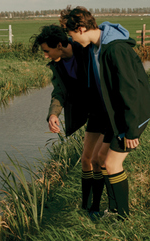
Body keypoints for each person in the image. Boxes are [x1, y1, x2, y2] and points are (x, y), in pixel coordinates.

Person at [60, 6, 150, 219]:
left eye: (71, 33)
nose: (71, 39)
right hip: (116, 115)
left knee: (111, 163)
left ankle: (123, 217)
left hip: (132, 115)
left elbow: (130, 90)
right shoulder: (96, 47)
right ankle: (113, 210)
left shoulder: (115, 49)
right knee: (101, 158)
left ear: (81, 29)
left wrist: (132, 130)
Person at [31, 24, 112, 218]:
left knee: (98, 160)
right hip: (92, 113)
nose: (45, 56)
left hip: (106, 110)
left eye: (46, 51)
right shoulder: (58, 65)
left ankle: (96, 207)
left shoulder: (86, 50)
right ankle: (85, 207)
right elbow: (60, 91)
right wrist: (53, 114)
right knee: (85, 159)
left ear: (59, 45)